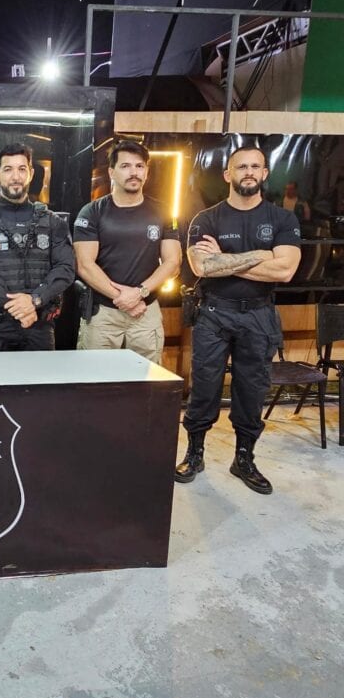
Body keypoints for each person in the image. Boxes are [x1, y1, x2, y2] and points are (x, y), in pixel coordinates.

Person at [175, 146, 301, 495]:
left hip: (259, 315)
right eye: (241, 166)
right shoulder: (206, 219)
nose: (248, 172)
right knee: (204, 387)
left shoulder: (283, 220)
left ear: (264, 174)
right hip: (214, 313)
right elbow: (203, 266)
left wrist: (226, 259)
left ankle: (244, 459)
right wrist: (262, 255)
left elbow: (285, 270)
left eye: (255, 166)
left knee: (252, 390)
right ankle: (195, 454)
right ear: (227, 175)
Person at [73, 140, 182, 364]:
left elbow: (173, 262)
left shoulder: (164, 212)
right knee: (96, 378)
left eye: (139, 166)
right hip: (103, 314)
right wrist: (123, 298)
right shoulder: (92, 212)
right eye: (125, 166)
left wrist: (140, 293)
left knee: (147, 379)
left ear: (146, 172)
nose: (134, 172)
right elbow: (84, 265)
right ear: (111, 172)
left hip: (146, 312)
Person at [0, 143, 75, 351]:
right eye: (8, 169)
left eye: (22, 169)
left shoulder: (52, 222)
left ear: (31, 174)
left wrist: (34, 300)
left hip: (39, 328)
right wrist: (20, 307)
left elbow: (65, 268)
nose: (15, 176)